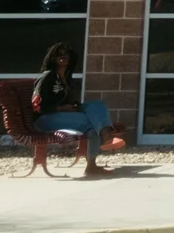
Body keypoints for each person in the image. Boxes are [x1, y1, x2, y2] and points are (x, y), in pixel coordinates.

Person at [32, 42, 115, 176]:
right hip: (44, 118)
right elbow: (38, 106)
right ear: (52, 58)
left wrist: (73, 105)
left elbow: (68, 100)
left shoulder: (65, 78)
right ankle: (105, 139)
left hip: (61, 115)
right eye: (58, 54)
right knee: (90, 122)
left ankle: (104, 136)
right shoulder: (48, 76)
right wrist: (61, 107)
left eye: (66, 54)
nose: (62, 56)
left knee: (98, 105)